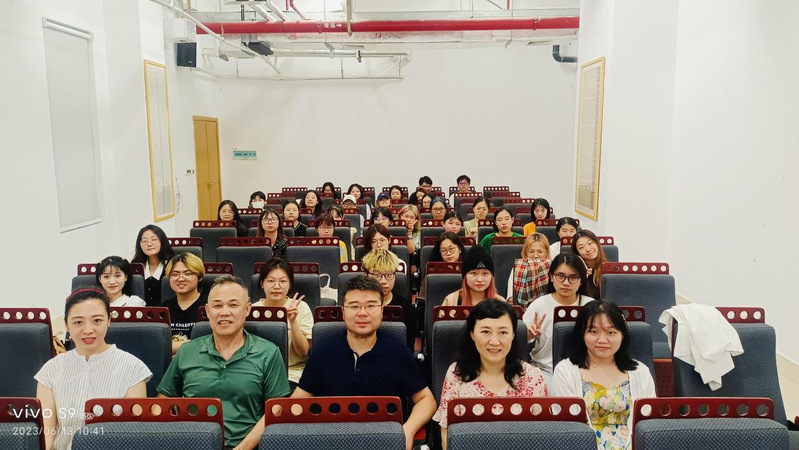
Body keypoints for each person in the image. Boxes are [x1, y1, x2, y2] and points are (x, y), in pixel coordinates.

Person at [293, 276, 436, 450]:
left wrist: (408, 429)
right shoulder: (323, 353)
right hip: (333, 442)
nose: (362, 313)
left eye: (371, 306)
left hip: (384, 442)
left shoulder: (397, 352)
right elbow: (296, 404)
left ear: (382, 310)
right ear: (343, 311)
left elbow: (426, 400)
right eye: (354, 306)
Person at [158, 275, 290, 450]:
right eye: (217, 306)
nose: (224, 312)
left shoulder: (269, 352)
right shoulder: (187, 351)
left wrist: (242, 448)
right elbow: (164, 402)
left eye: (233, 305)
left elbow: (276, 409)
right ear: (207, 311)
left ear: (247, 309)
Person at [36, 289, 151, 450]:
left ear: (109, 320)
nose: (88, 330)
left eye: (97, 320)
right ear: (66, 324)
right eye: (78, 322)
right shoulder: (51, 369)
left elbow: (132, 435)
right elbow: (46, 435)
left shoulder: (133, 368)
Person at [433, 300, 548, 450]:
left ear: (513, 335)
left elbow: (541, 436)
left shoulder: (532, 377)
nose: (494, 341)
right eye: (485, 332)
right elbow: (447, 434)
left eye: (503, 332)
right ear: (472, 334)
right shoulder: (457, 374)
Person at [552, 301, 656, 450]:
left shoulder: (640, 371)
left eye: (611, 332)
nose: (602, 340)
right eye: (593, 332)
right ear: (582, 334)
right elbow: (566, 427)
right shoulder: (565, 371)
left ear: (622, 335)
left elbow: (648, 423)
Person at [523, 253, 594, 384]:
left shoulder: (591, 306)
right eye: (560, 276)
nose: (566, 283)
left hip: (584, 370)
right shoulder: (539, 305)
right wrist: (528, 335)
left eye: (573, 277)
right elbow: (520, 339)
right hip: (545, 370)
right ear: (551, 277)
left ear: (581, 280)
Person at [253, 259, 312, 387]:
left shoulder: (301, 307)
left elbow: (303, 352)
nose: (276, 286)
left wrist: (293, 321)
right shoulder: (252, 310)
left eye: (283, 281)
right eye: (270, 281)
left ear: (289, 284)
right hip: (258, 373)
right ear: (262, 284)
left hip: (293, 374)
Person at [362, 249, 416, 350]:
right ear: (366, 275)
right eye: (376, 275)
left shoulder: (406, 309)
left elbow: (408, 350)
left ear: (394, 276)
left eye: (389, 275)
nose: (383, 281)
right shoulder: (357, 307)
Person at [162, 253, 207, 355]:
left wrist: (172, 347)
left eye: (187, 274)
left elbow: (212, 342)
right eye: (175, 274)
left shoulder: (210, 307)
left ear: (199, 277)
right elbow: (155, 346)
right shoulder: (161, 309)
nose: (181, 278)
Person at [132, 224, 174, 306]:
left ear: (162, 241)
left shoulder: (173, 263)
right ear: (140, 244)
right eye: (145, 241)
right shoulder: (135, 266)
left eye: (153, 239)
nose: (149, 244)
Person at [506, 233, 551, 305]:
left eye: (540, 252)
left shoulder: (553, 269)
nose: (535, 255)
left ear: (546, 253)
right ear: (526, 253)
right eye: (531, 252)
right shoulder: (517, 269)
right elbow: (511, 299)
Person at [571, 230, 608, 299]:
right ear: (577, 252)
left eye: (590, 243)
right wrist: (582, 279)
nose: (588, 249)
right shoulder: (575, 273)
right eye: (581, 247)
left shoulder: (611, 270)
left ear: (597, 244)